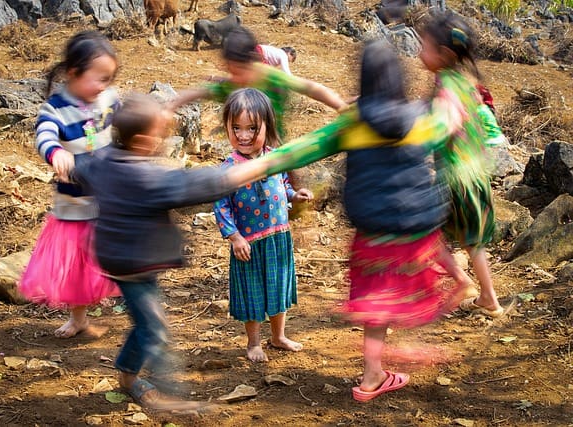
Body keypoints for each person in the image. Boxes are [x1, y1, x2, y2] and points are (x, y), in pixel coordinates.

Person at [255, 39, 469, 401]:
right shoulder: (420, 118)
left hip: (372, 233)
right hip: (416, 229)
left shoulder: (352, 125)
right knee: (418, 285)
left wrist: (250, 168)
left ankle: (372, 375)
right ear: (398, 79)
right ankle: (416, 340)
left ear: (364, 81)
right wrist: (451, 98)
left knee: (377, 303)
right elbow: (447, 123)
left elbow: (300, 150)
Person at [71, 92, 282, 411]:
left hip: (119, 258)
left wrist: (63, 162)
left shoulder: (103, 160)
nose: (164, 138)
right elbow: (199, 183)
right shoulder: (146, 178)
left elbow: (79, 167)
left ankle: (127, 374)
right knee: (155, 328)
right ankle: (166, 394)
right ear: (143, 140)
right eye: (161, 133)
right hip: (133, 265)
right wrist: (256, 168)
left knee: (145, 323)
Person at [19, 30, 121, 338]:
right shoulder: (56, 108)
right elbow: (45, 134)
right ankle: (79, 318)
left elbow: (124, 124)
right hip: (75, 204)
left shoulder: (107, 98)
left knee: (112, 252)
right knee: (77, 264)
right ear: (74, 73)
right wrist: (56, 152)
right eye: (99, 78)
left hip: (107, 198)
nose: (104, 85)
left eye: (109, 78)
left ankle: (133, 298)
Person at [213, 88, 313, 363]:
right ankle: (254, 342)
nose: (243, 135)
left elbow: (283, 185)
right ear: (227, 128)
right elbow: (221, 206)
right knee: (253, 293)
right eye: (236, 128)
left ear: (267, 127)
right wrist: (234, 238)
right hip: (249, 244)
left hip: (278, 237)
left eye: (252, 128)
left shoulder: (274, 159)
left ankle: (278, 336)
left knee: (278, 287)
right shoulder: (228, 168)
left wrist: (295, 195)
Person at [419, 12, 504, 318]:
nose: (419, 52)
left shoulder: (446, 87)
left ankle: (460, 281)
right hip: (475, 172)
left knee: (424, 233)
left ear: (444, 55)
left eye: (424, 47)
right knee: (473, 243)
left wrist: (420, 143)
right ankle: (489, 299)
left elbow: (442, 122)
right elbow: (486, 124)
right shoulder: (469, 82)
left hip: (454, 175)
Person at [172, 26, 346, 138]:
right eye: (230, 71)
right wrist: (170, 106)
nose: (235, 77)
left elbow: (310, 87)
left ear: (251, 62)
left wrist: (340, 105)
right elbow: (201, 92)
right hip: (246, 148)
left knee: (288, 179)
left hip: (274, 145)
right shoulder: (234, 85)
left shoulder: (271, 78)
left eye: (238, 71)